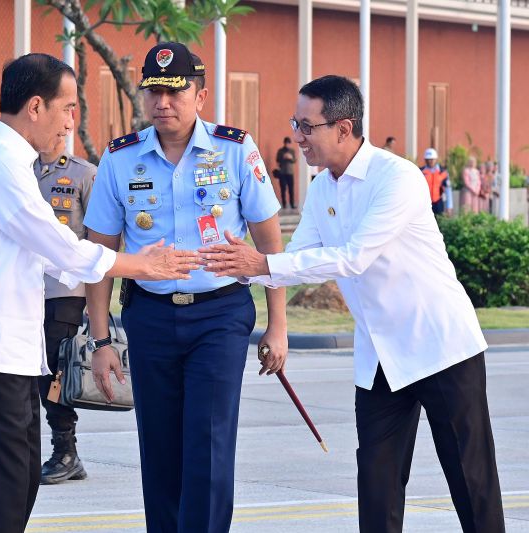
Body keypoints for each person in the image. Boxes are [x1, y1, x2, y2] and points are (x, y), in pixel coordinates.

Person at [200, 74, 505, 533]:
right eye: (295, 124)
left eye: (307, 126)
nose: (298, 136)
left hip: (441, 347)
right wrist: (241, 266)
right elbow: (298, 259)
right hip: (380, 357)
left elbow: (353, 258)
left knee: (470, 479)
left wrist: (261, 262)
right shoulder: (323, 187)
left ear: (343, 128)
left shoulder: (397, 177)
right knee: (377, 487)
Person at [0, 53, 199, 533]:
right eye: (67, 108)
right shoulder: (0, 164)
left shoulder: (14, 161)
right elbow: (59, 246)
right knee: (3, 496)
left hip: (11, 350)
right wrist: (141, 265)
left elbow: (47, 252)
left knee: (20, 484)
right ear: (36, 106)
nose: (69, 122)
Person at [84, 42, 287, 533]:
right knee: (159, 446)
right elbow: (99, 255)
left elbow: (269, 243)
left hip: (219, 314)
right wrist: (101, 340)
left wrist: (278, 325)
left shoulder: (235, 150)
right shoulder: (120, 158)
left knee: (209, 441)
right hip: (150, 317)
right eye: (153, 92)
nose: (163, 103)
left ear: (201, 95)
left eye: (175, 92)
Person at [33, 136, 96, 485]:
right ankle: (35, 450)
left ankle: (66, 451)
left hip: (65, 290)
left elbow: (100, 236)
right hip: (25, 288)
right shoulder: (20, 170)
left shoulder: (84, 174)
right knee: (27, 372)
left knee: (56, 371)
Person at [420, 147, 448, 215]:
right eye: (428, 159)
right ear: (425, 160)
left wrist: (449, 206)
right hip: (424, 202)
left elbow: (448, 189)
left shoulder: (442, 172)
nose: (430, 161)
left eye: (432, 159)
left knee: (439, 220)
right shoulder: (420, 172)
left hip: (438, 202)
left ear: (436, 159)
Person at [275, 136, 296, 209]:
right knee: (283, 189)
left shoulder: (292, 151)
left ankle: (292, 204)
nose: (287, 144)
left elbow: (294, 160)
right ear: (284, 143)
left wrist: (290, 158)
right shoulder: (280, 151)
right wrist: (283, 157)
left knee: (291, 189)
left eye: (288, 143)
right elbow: (277, 160)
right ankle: (284, 204)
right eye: (286, 143)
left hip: (290, 173)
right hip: (282, 173)